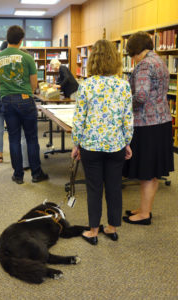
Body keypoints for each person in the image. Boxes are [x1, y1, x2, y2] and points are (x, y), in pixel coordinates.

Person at [71, 39, 133, 245]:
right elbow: (127, 118)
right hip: (116, 145)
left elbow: (80, 118)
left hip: (91, 145)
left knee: (94, 188)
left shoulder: (86, 85)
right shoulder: (123, 85)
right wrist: (127, 142)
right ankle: (112, 228)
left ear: (93, 60)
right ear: (115, 59)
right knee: (114, 186)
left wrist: (76, 144)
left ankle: (94, 230)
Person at [122, 31, 174, 225]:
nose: (132, 59)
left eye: (131, 54)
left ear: (135, 51)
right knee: (152, 171)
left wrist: (125, 105)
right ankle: (144, 209)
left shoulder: (144, 64)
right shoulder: (159, 61)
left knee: (146, 170)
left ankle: (144, 215)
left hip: (146, 123)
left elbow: (141, 96)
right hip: (162, 121)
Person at [0, 25, 48, 184]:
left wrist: (8, 89)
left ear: (7, 38)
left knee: (14, 138)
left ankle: (18, 175)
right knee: (31, 138)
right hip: (25, 100)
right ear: (21, 40)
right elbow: (34, 84)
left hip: (7, 101)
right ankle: (36, 174)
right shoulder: (27, 57)